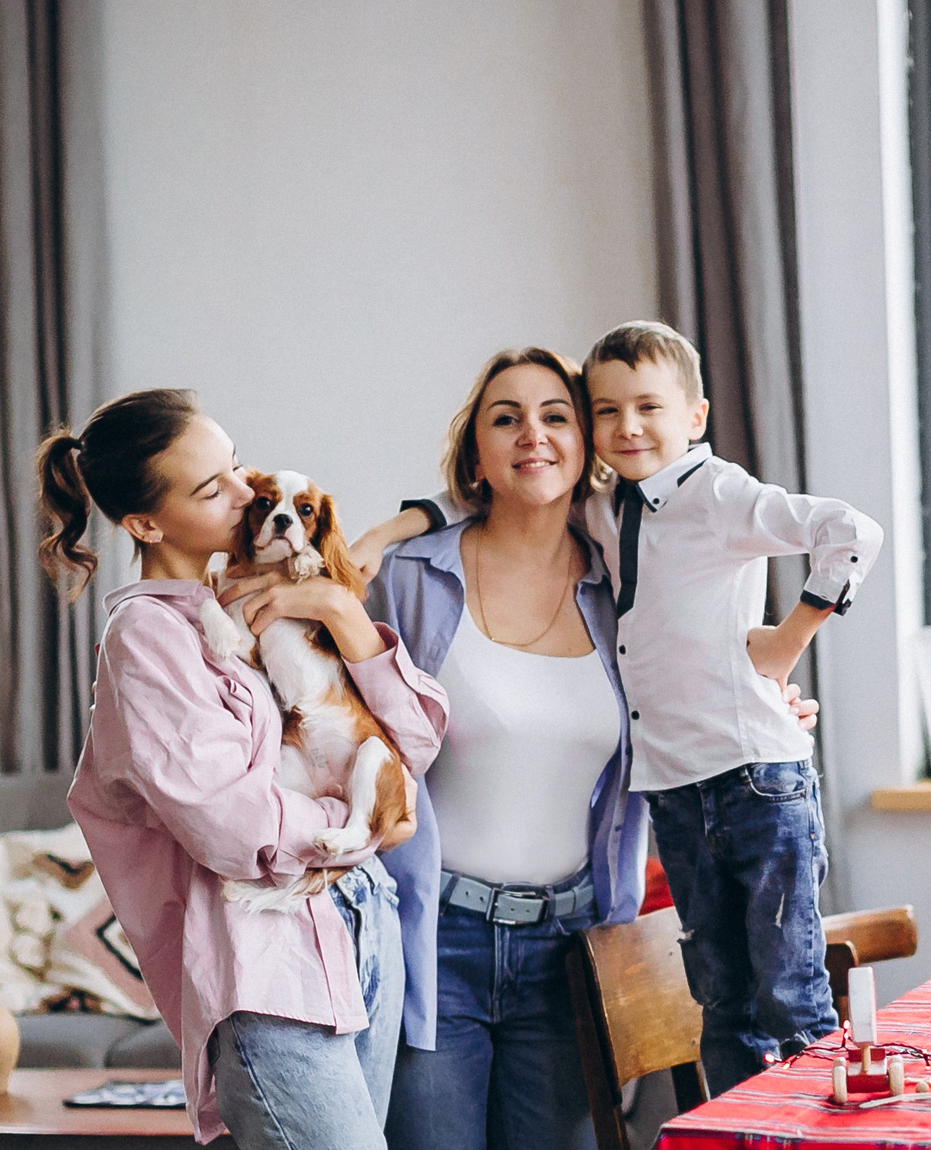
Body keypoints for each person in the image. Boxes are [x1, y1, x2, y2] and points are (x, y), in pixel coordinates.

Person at [214, 347, 824, 1150]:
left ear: (589, 440)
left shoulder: (625, 578)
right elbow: (321, 690)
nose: (535, 434)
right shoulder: (413, 574)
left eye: (558, 415)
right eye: (507, 417)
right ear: (475, 445)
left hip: (571, 947)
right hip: (432, 934)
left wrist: (767, 699)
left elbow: (696, 686)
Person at [40, 387, 619, 1150]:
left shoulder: (255, 599)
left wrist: (344, 619)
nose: (245, 495)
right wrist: (346, 827)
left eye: (240, 466)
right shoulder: (149, 638)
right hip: (260, 976)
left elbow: (419, 730)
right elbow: (231, 824)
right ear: (143, 518)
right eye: (209, 488)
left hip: (359, 943)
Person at [370, 320, 882, 1094]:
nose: (626, 427)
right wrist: (390, 527)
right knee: (722, 998)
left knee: (786, 990)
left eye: (645, 407)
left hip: (706, 813)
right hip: (620, 824)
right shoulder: (599, 523)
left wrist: (782, 650)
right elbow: (487, 493)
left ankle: (808, 1146)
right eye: (607, 411)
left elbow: (845, 533)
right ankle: (741, 1142)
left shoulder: (678, 513)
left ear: (695, 416)